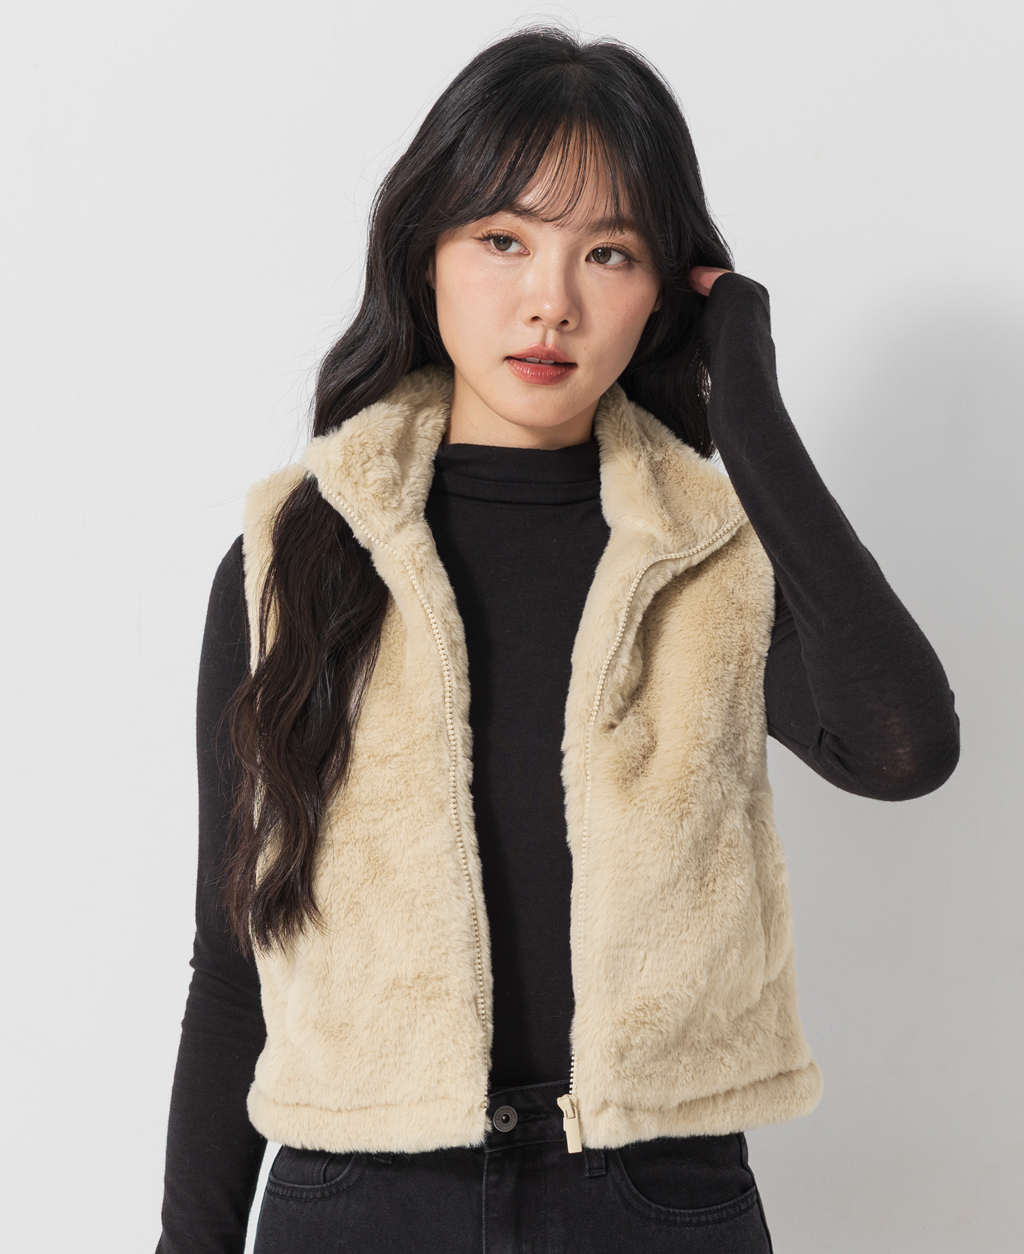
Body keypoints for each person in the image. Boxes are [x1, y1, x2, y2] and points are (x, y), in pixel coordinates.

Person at [156, 27, 960, 1254]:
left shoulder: (711, 561)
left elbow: (902, 751)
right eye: (503, 240)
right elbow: (233, 963)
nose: (551, 300)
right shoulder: (299, 557)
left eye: (608, 253)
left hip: (655, 1199)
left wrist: (747, 411)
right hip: (359, 1202)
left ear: (666, 291)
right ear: (424, 253)